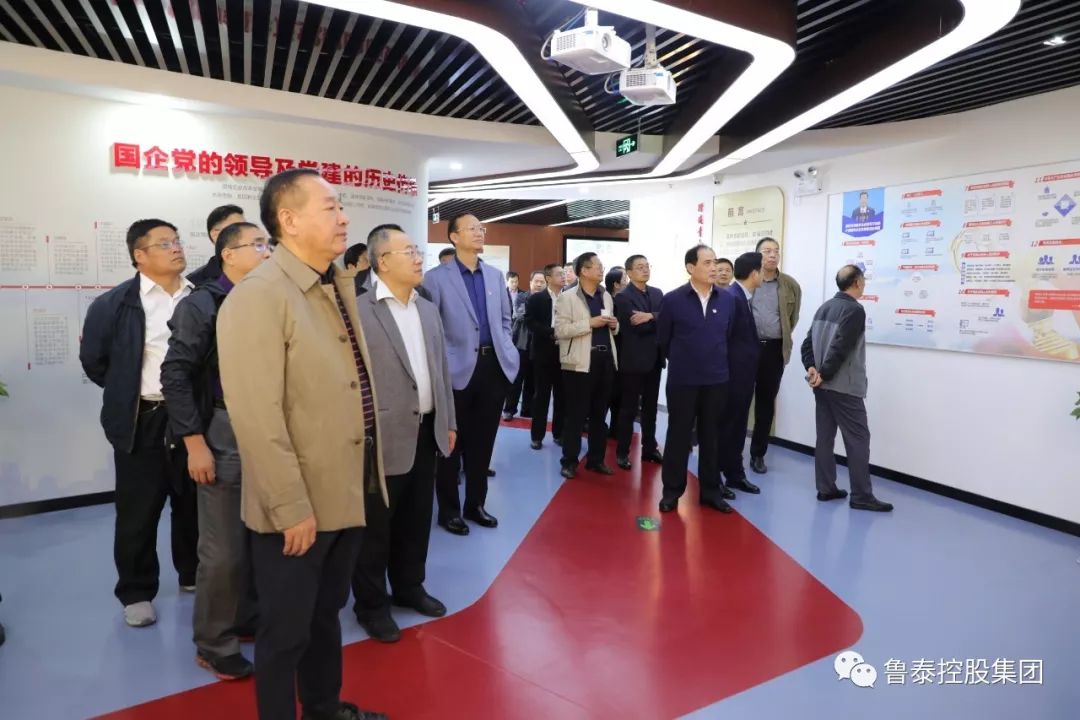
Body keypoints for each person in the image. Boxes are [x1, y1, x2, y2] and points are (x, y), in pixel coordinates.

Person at [217, 168, 388, 720]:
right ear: (288, 221)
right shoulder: (260, 296)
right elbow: (256, 415)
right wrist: (290, 506)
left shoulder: (333, 284)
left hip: (344, 488)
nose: (344, 218)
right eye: (330, 207)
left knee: (324, 615)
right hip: (296, 505)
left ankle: (322, 706)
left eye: (342, 207)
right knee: (286, 630)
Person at [160, 221, 270, 679]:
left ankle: (244, 617)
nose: (267, 251)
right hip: (223, 429)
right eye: (257, 245)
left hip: (268, 429)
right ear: (228, 253)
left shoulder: (269, 299)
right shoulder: (202, 304)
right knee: (222, 547)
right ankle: (213, 642)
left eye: (268, 243)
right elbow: (175, 375)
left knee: (259, 536)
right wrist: (194, 443)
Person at [79, 219, 199, 629]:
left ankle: (193, 574)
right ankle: (136, 592)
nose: (176, 248)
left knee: (193, 502)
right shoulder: (114, 304)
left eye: (177, 241)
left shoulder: (199, 297)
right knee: (139, 511)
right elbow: (95, 362)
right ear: (140, 255)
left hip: (191, 417)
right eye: (164, 243)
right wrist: (131, 391)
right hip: (142, 417)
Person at [351, 227, 456, 643]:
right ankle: (371, 605)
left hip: (426, 429)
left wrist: (448, 421)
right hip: (380, 435)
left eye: (417, 250)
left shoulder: (426, 307)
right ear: (382, 261)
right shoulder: (358, 310)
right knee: (376, 528)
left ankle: (410, 587)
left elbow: (440, 370)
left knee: (417, 519)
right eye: (408, 251)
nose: (418, 258)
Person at [423, 213, 518, 535]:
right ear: (454, 236)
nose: (480, 233)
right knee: (450, 445)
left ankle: (475, 504)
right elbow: (431, 328)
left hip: (493, 367)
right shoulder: (435, 278)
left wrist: (508, 351)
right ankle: (449, 510)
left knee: (483, 442)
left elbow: (505, 319)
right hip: (455, 370)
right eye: (472, 229)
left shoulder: (494, 275)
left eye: (482, 228)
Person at [802, 265, 893, 512]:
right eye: (863, 280)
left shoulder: (825, 307)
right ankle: (862, 496)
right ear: (856, 283)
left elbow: (807, 344)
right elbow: (841, 347)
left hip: (821, 386)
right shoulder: (854, 310)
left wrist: (812, 369)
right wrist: (824, 373)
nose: (864, 284)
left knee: (825, 437)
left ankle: (826, 488)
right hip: (844, 387)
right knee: (858, 439)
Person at [656, 244, 736, 514]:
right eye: (707, 263)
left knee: (711, 436)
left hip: (716, 379)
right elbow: (663, 339)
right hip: (683, 380)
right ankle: (671, 492)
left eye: (715, 262)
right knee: (678, 436)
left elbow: (728, 336)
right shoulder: (673, 300)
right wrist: (685, 360)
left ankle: (711, 492)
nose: (714, 268)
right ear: (691, 267)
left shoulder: (727, 300)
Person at [555, 252, 619, 479]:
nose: (602, 269)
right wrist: (589, 323)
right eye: (598, 266)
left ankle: (596, 460)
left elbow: (613, 329)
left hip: (605, 361)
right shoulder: (567, 297)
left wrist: (614, 325)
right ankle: (569, 461)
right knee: (576, 415)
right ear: (584, 270)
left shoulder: (606, 296)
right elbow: (560, 331)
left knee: (600, 415)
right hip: (579, 363)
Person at [748, 236, 802, 475]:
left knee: (766, 403)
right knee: (738, 400)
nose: (772, 255)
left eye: (776, 251)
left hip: (774, 349)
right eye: (767, 251)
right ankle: (729, 450)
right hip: (746, 348)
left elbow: (792, 318)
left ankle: (758, 453)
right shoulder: (748, 281)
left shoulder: (790, 285)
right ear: (757, 255)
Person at [719, 252, 765, 496]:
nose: (764, 275)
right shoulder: (732, 297)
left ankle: (735, 474)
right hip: (732, 376)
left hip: (743, 376)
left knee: (737, 426)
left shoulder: (741, 296)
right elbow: (722, 338)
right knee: (727, 427)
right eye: (762, 270)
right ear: (754, 273)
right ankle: (717, 478)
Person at [613, 254, 664, 470]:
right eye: (640, 267)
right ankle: (622, 452)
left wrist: (650, 316)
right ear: (629, 272)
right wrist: (656, 318)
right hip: (633, 360)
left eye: (647, 266)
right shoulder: (623, 297)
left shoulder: (657, 292)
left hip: (655, 359)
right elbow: (636, 326)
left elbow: (667, 319)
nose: (645, 270)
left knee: (651, 409)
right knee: (629, 409)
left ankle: (649, 448)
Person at [526, 263, 566, 449]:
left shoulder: (569, 298)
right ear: (548, 278)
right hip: (543, 353)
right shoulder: (537, 299)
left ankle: (559, 433)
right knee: (541, 396)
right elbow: (530, 322)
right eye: (559, 274)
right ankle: (537, 436)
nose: (563, 277)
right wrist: (551, 332)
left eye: (564, 274)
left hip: (565, 353)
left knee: (562, 396)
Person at [504, 271, 543, 420]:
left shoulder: (548, 299)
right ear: (530, 283)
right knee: (516, 379)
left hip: (538, 345)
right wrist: (537, 315)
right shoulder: (522, 297)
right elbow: (520, 315)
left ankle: (527, 410)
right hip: (521, 343)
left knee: (532, 380)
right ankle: (509, 409)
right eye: (536, 281)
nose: (539, 284)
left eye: (542, 282)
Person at [188, 204, 245, 286]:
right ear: (215, 235)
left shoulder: (258, 272)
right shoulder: (195, 283)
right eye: (237, 228)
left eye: (247, 227)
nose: (246, 233)